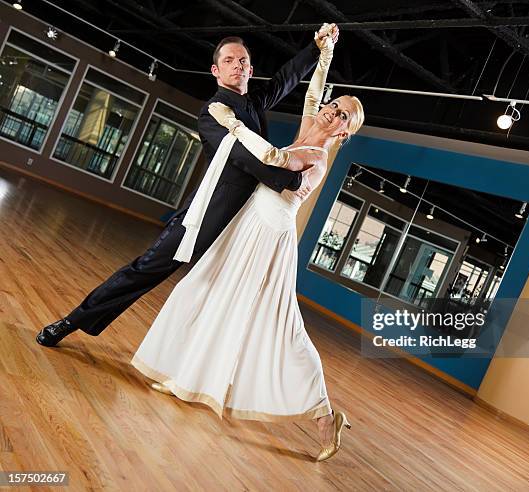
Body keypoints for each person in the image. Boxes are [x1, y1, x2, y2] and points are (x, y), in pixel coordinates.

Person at [131, 22, 364, 461]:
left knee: (277, 327)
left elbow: (275, 160)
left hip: (269, 239)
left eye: (342, 117)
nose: (331, 113)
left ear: (345, 133)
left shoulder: (314, 157)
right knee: (202, 292)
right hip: (247, 225)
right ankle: (186, 376)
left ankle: (323, 413)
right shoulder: (313, 122)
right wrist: (325, 49)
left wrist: (232, 126)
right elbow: (313, 87)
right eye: (334, 105)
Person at [36, 24, 338, 347]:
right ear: (216, 70)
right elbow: (243, 158)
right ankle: (70, 321)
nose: (237, 65)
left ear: (250, 69)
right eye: (229, 61)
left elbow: (284, 80)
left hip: (240, 226)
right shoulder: (213, 112)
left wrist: (315, 48)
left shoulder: (253, 104)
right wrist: (290, 180)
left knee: (231, 299)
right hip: (202, 222)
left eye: (243, 61)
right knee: (143, 271)